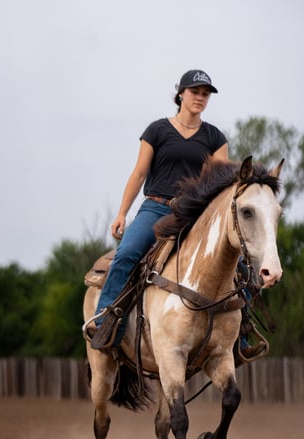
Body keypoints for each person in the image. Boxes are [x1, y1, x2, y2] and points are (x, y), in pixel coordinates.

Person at [88, 69, 229, 350]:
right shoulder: (157, 130)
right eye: (194, 92)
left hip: (194, 216)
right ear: (180, 94)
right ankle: (104, 323)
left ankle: (241, 335)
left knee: (233, 262)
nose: (200, 98)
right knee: (127, 254)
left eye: (205, 94)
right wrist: (121, 213)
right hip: (155, 208)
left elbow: (221, 183)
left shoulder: (215, 138)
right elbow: (139, 174)